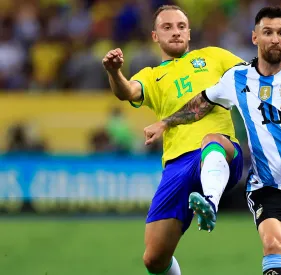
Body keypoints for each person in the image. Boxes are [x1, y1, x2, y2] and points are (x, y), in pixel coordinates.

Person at [144, 6, 281, 275]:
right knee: (274, 246)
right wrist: (165, 122)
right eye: (268, 32)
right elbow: (200, 104)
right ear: (255, 38)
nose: (274, 38)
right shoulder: (237, 77)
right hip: (268, 183)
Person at [102, 5, 244, 275]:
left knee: (212, 140)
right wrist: (114, 72)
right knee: (154, 260)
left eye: (181, 26)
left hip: (220, 152)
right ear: (155, 36)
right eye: (167, 27)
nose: (176, 32)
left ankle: (211, 204)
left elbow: (253, 75)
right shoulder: (152, 76)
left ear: (189, 32)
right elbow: (127, 91)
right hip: (176, 167)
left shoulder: (214, 56)